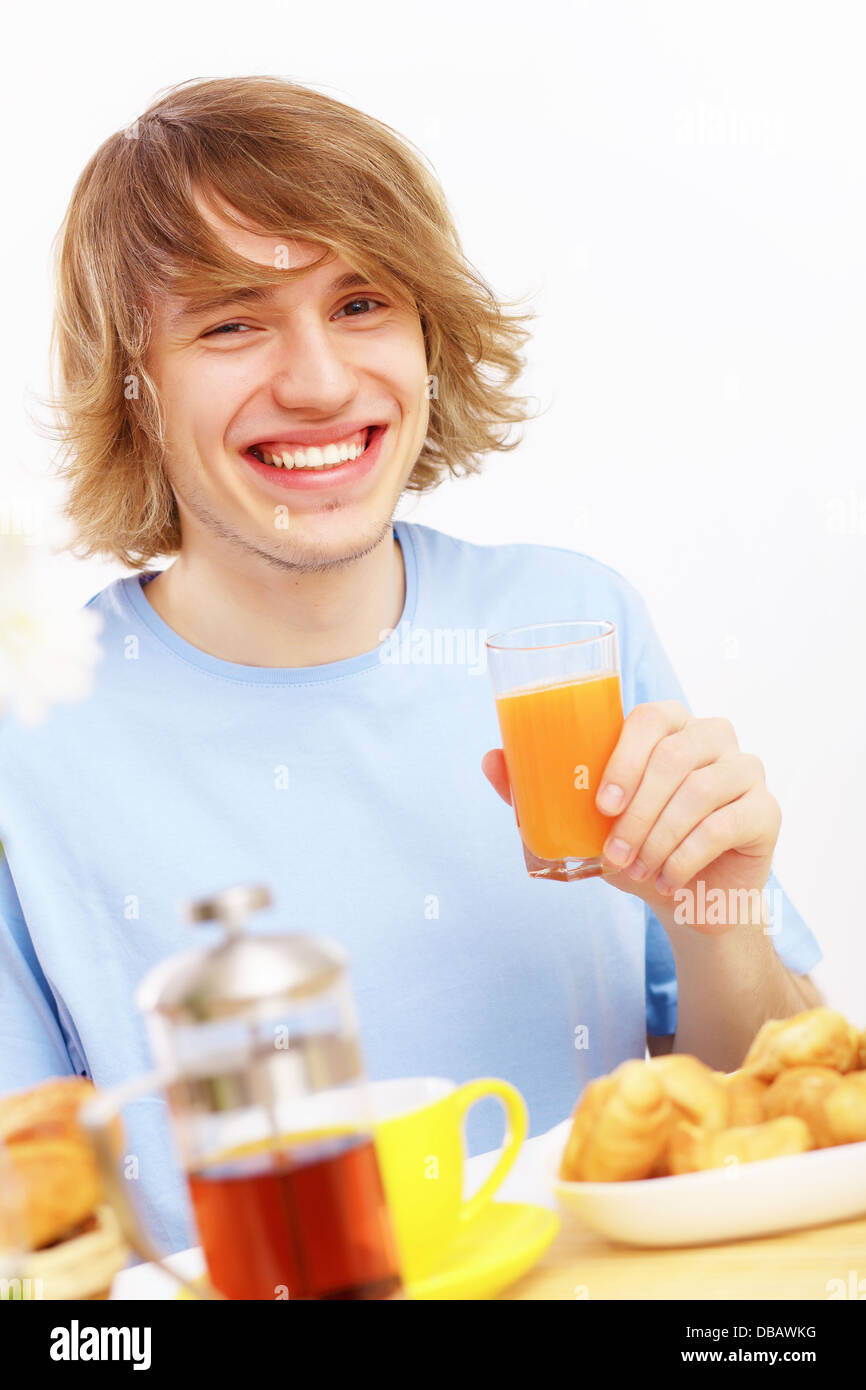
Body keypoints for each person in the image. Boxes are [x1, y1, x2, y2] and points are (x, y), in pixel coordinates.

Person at [0, 76, 822, 1256]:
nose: (321, 382)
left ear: (428, 332)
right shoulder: (30, 729)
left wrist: (717, 913)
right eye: (231, 321)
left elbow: (776, 1118)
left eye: (360, 303)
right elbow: (25, 1232)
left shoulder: (564, 624)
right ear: (134, 387)